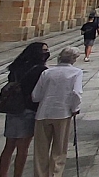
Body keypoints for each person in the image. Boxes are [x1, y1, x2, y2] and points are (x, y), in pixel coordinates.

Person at [31, 47, 82, 177]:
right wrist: (75, 108)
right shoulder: (76, 72)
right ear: (74, 59)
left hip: (43, 113)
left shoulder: (47, 72)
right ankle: (54, 174)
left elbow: (35, 95)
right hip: (62, 113)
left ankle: (40, 174)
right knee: (59, 149)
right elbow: (76, 93)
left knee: (40, 150)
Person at [0, 43, 48, 177]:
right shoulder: (40, 70)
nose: (46, 53)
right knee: (23, 148)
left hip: (13, 108)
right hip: (28, 109)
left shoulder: (15, 67)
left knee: (9, 146)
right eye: (44, 50)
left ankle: (2, 174)